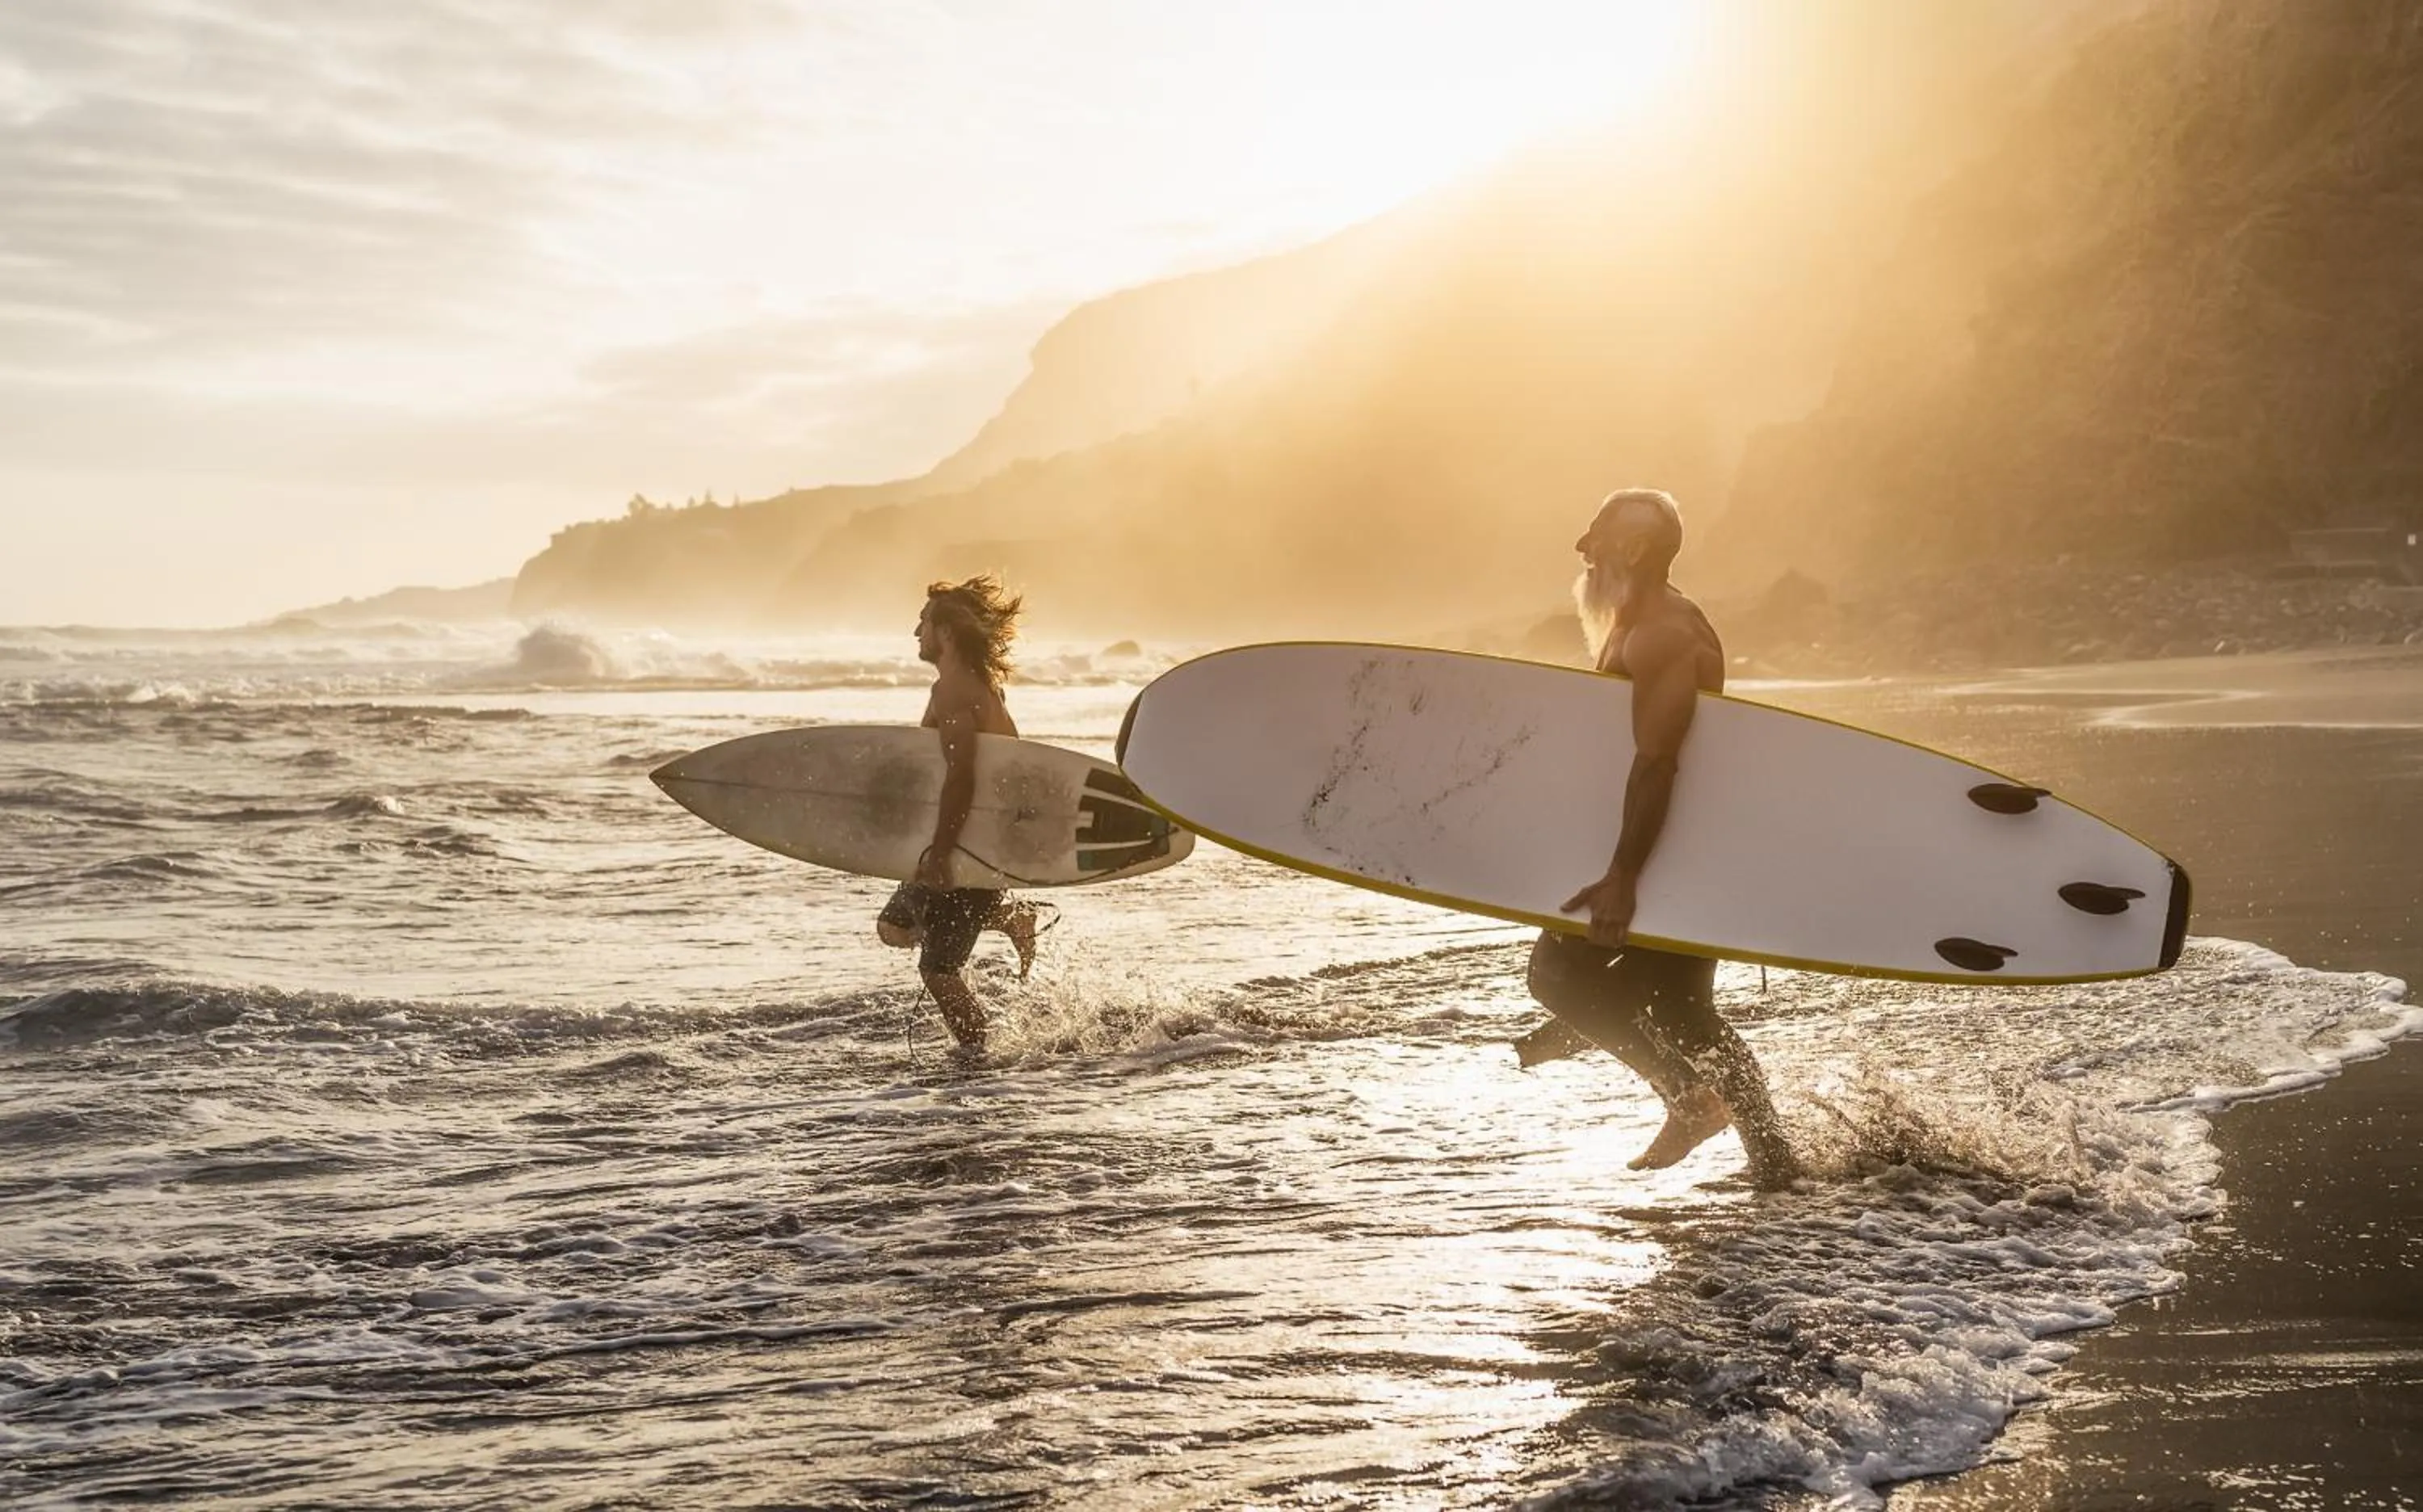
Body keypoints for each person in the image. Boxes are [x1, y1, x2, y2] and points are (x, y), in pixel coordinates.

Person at [1521, 487, 1800, 1188]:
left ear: (1636, 549)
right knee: (1682, 1006)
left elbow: (1658, 760)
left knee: (1556, 975)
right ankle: (1777, 1168)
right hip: (1687, 843)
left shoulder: (1664, 635)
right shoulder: (1630, 623)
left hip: (1676, 846)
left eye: (1596, 534)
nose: (1581, 547)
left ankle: (1687, 1097)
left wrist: (1623, 875)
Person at [876, 575, 1040, 1052]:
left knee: (938, 969)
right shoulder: (982, 687)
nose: (916, 633)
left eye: (924, 623)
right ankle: (1010, 917)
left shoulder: (953, 692)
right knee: (895, 928)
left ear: (946, 632)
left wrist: (943, 854)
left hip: (967, 843)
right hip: (974, 837)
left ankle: (978, 1056)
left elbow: (962, 776)